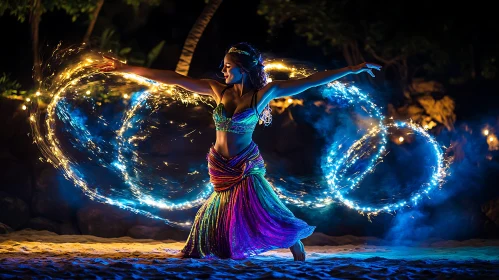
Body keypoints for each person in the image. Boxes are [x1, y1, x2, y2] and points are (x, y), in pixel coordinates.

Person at [103, 42, 381, 261]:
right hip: (219, 164)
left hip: (245, 163)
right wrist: (124, 68)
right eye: (223, 66)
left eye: (228, 66)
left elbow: (311, 81)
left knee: (262, 209)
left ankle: (295, 243)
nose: (223, 71)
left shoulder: (264, 94)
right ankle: (223, 249)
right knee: (221, 210)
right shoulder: (217, 90)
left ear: (244, 69)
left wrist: (353, 68)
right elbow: (173, 78)